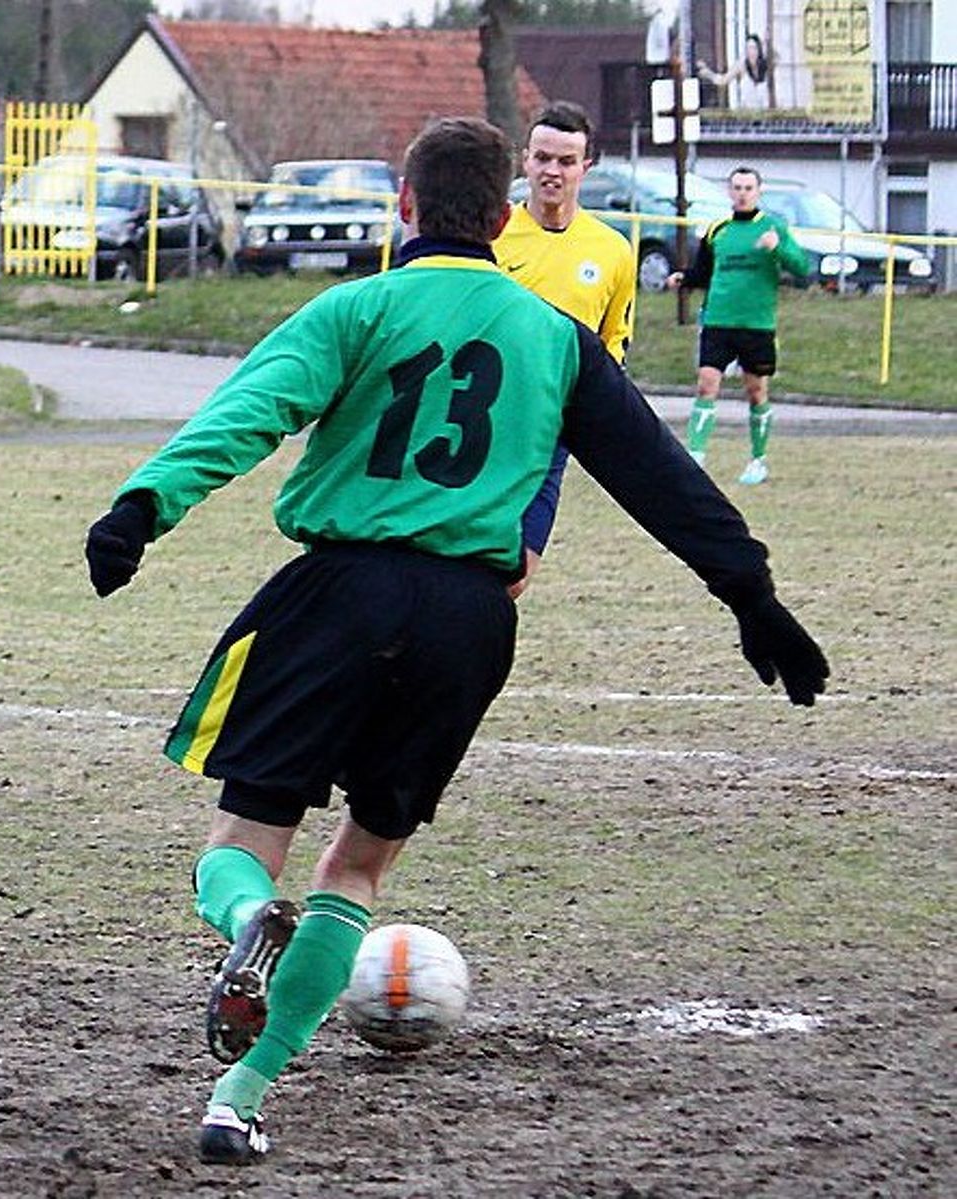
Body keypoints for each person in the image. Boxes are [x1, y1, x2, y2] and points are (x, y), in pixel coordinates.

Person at [84, 116, 828, 1166]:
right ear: (502, 215)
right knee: (361, 865)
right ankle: (239, 1096)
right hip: (469, 618)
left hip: (337, 592)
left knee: (241, 847)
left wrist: (140, 510)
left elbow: (247, 414)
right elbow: (656, 472)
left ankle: (251, 917)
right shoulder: (551, 334)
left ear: (402, 204)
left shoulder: (356, 305)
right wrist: (748, 592)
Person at [492, 100, 637, 596]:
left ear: (585, 168)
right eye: (543, 158)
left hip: (551, 433)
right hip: (483, 420)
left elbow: (614, 340)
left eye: (566, 161)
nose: (552, 171)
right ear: (525, 161)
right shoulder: (492, 236)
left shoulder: (613, 250)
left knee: (515, 579)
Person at [667, 165, 808, 485]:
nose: (742, 193)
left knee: (756, 391)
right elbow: (703, 272)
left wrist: (779, 248)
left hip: (756, 324)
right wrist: (684, 279)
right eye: (737, 188)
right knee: (706, 384)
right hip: (718, 320)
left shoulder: (773, 227)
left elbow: (802, 268)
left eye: (748, 188)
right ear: (729, 192)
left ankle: (758, 460)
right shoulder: (718, 230)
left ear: (758, 192)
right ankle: (696, 455)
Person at [699, 33, 771, 111]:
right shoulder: (741, 65)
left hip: (764, 115)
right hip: (747, 115)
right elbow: (723, 80)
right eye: (749, 49)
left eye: (754, 48)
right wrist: (709, 74)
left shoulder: (765, 66)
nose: (751, 52)